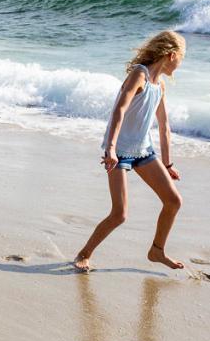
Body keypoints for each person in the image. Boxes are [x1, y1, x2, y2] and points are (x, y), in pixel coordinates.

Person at [73, 31, 186, 272]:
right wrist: (111, 149)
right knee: (120, 214)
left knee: (173, 201)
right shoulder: (139, 75)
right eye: (181, 59)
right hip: (120, 150)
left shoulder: (160, 86)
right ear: (171, 55)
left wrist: (167, 164)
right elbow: (120, 110)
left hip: (143, 150)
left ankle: (157, 251)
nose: (180, 64)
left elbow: (164, 127)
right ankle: (84, 253)